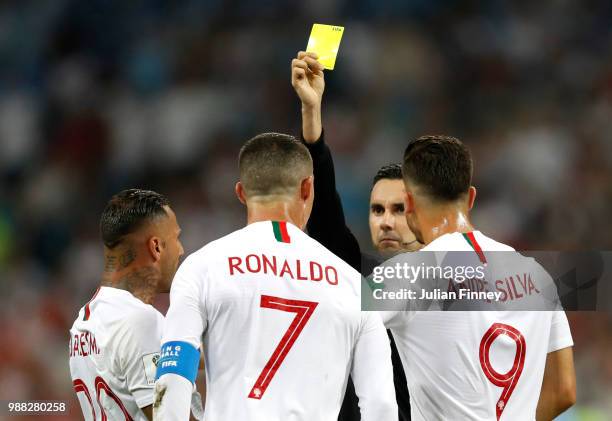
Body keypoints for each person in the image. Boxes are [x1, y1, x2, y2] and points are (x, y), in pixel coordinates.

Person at [153, 133, 398, 421]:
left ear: (241, 192)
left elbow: (174, 374)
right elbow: (380, 405)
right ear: (308, 189)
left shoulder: (202, 268)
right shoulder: (353, 285)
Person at [376, 135, 576, 420]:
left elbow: (332, 322)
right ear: (470, 197)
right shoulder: (536, 274)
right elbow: (563, 391)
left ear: (407, 202)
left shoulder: (407, 273)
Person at [291, 51, 414, 420]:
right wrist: (312, 118)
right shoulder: (356, 280)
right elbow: (326, 212)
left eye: (399, 209)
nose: (386, 221)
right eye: (377, 210)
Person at [69, 189, 205, 420]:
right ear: (156, 247)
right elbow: (166, 415)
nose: (181, 250)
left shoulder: (83, 323)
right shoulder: (140, 321)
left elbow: (147, 358)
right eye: (176, 238)